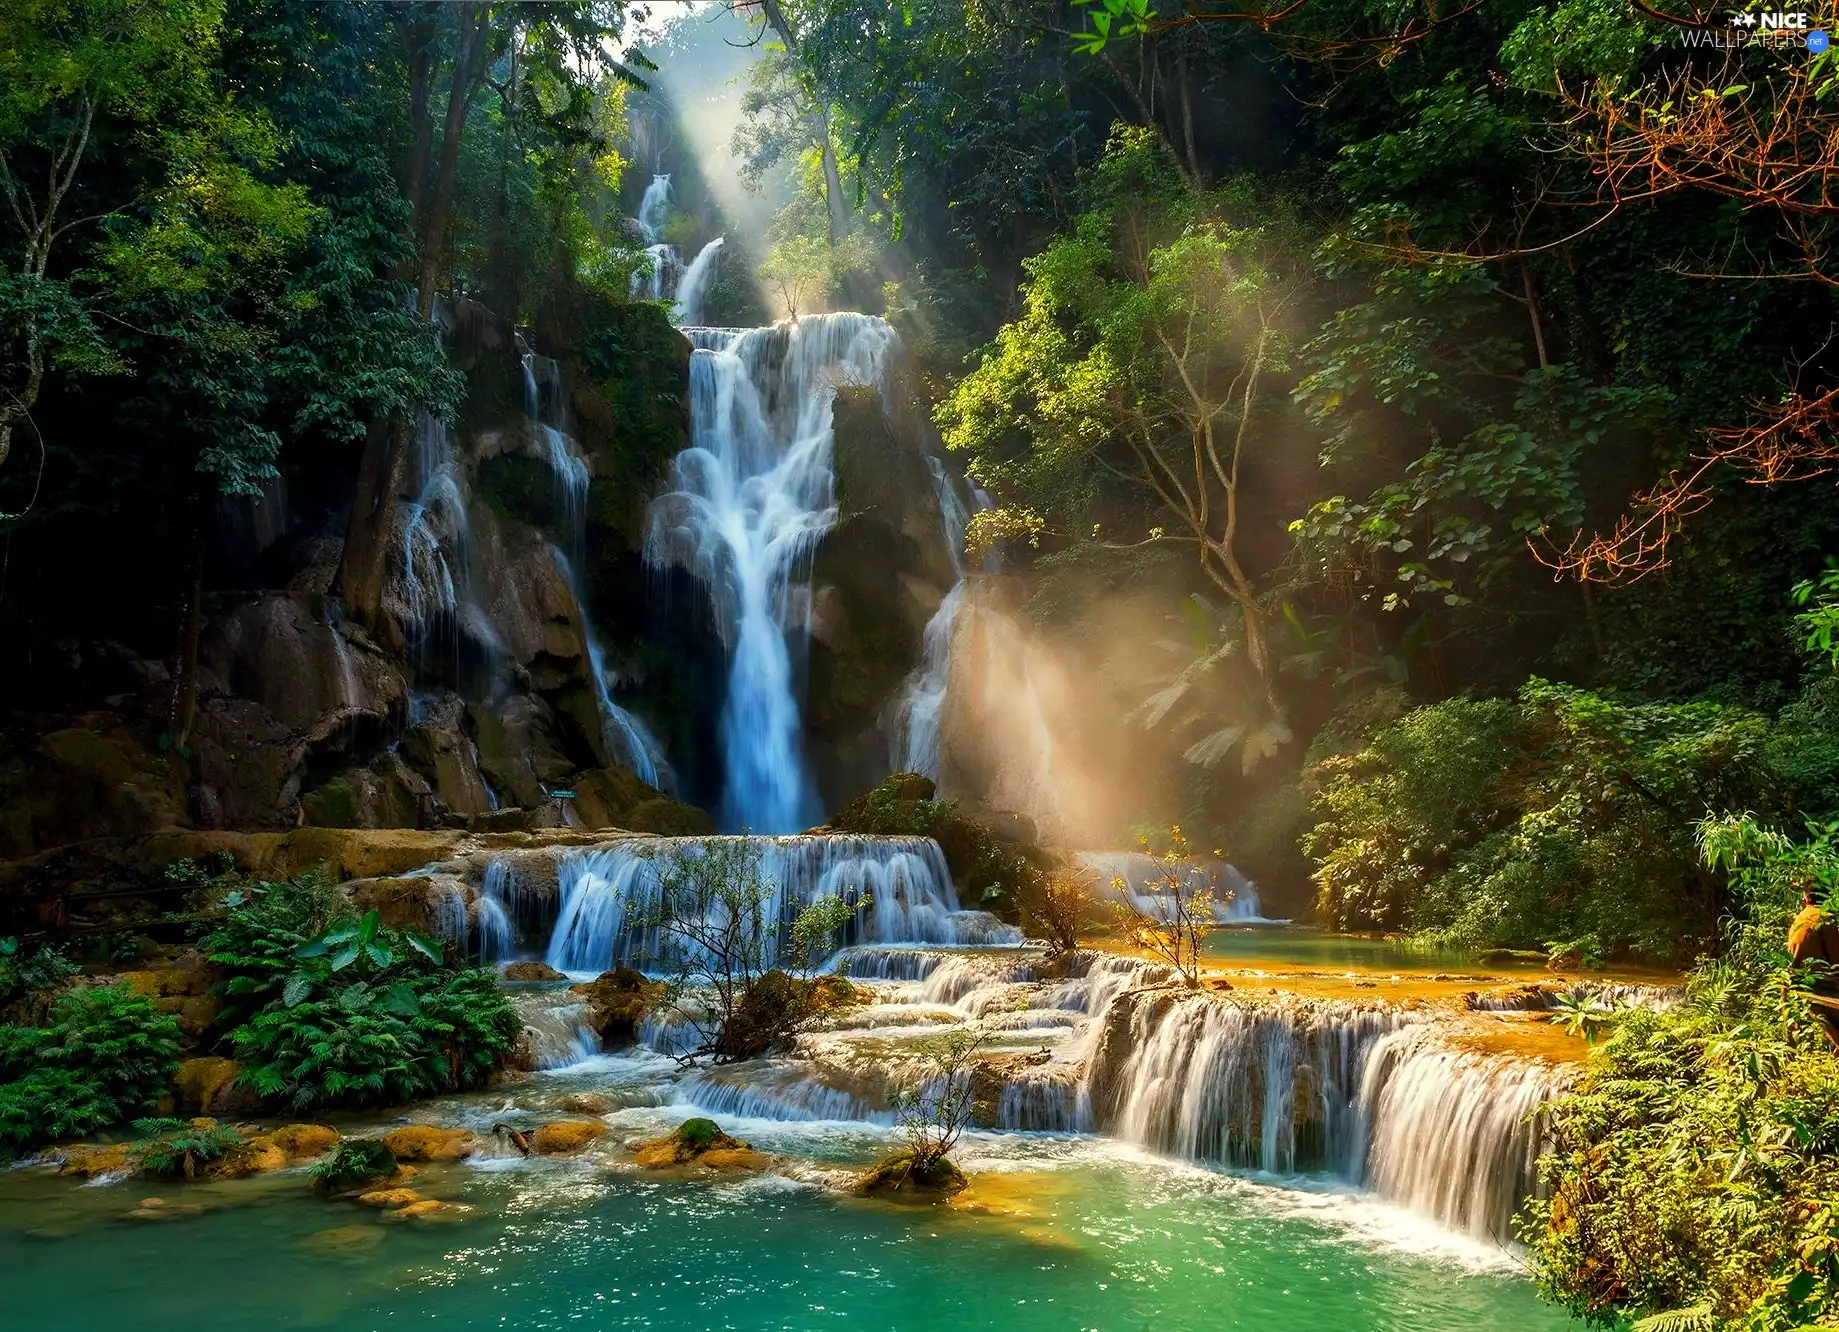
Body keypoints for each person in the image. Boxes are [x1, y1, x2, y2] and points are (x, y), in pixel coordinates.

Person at [1787, 887, 1839, 1043]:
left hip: (1799, 981)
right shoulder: (1826, 919)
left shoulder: (1799, 918)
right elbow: (1836, 960)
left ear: (1805, 900)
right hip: (1822, 985)